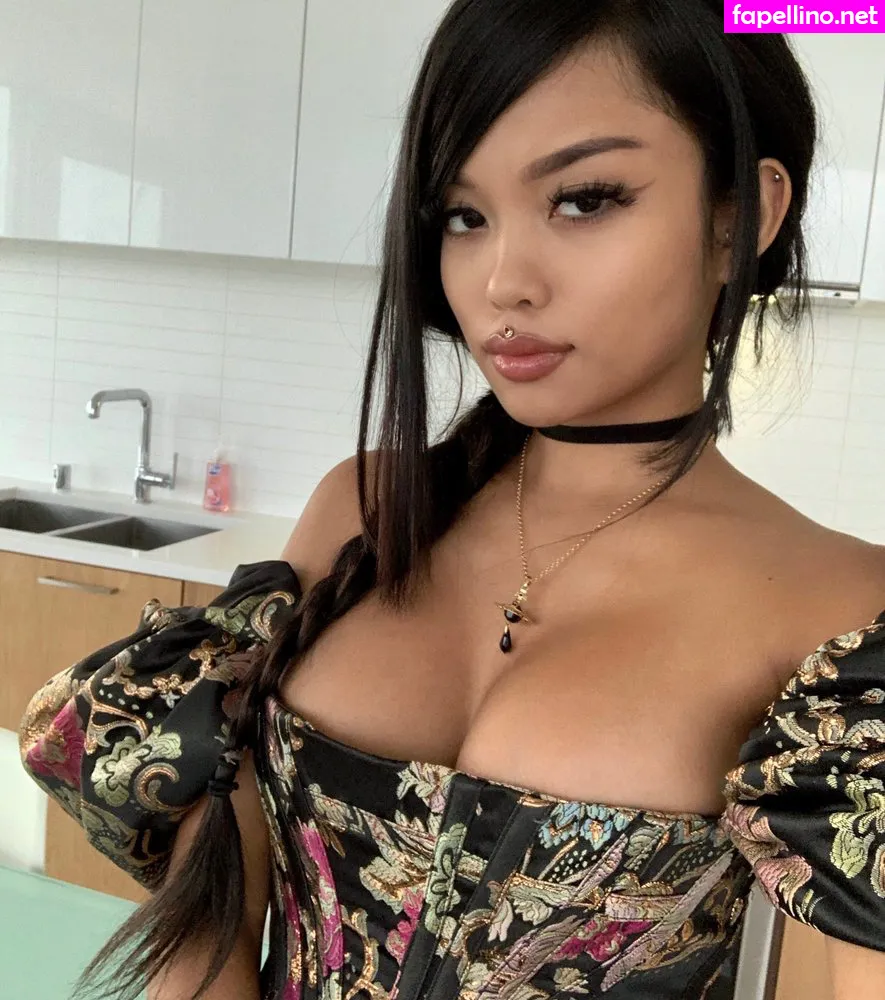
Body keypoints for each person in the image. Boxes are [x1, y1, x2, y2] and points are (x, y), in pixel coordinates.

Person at [18, 1, 885, 997]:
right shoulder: (361, 510)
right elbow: (208, 915)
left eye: (585, 198)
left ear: (742, 217)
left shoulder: (840, 610)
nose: (502, 281)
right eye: (464, 217)